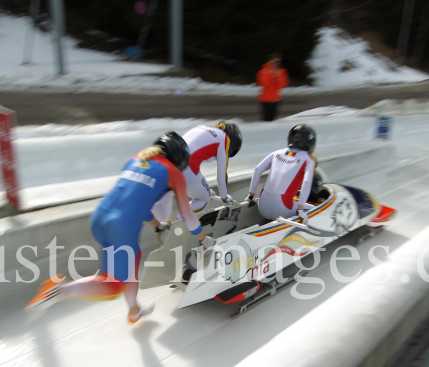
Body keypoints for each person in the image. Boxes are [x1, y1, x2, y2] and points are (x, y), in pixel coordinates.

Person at [26, 132, 214, 323]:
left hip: (99, 217)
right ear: (179, 158)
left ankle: (134, 310)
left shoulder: (137, 159)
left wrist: (157, 226)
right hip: (120, 227)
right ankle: (59, 291)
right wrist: (205, 240)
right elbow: (188, 218)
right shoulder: (174, 174)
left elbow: (136, 202)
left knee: (133, 257)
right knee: (112, 286)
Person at [151, 121, 243, 223]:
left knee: (161, 213)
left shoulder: (203, 128)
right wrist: (225, 197)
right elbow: (222, 177)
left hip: (168, 162)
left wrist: (206, 188)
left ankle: (140, 205)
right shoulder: (225, 140)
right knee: (203, 198)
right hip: (185, 166)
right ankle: (176, 222)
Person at [246, 124, 317, 221]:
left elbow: (258, 169)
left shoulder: (276, 153)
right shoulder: (308, 159)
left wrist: (251, 195)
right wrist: (300, 209)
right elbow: (307, 181)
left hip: (261, 206)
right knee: (316, 209)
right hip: (283, 211)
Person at [257, 54, 289, 122]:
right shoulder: (264, 71)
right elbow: (264, 83)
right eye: (275, 61)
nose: (277, 63)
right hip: (265, 100)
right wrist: (271, 74)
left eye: (279, 61)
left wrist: (278, 76)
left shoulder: (282, 71)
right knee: (266, 119)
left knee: (273, 120)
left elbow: (282, 85)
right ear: (270, 61)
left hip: (276, 100)